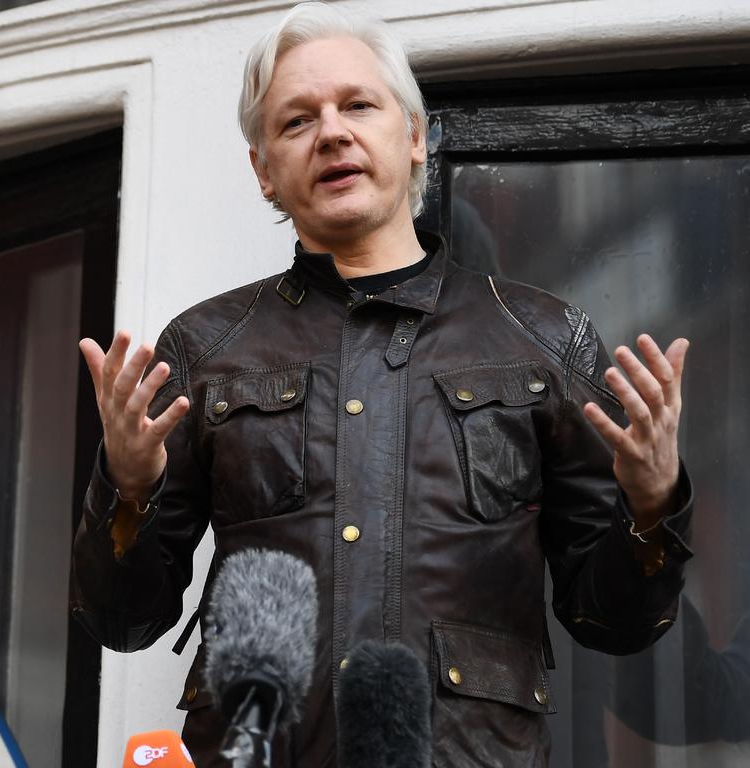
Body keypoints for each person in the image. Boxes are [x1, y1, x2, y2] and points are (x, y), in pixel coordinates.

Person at [70, 3, 694, 766]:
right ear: (264, 171)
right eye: (297, 121)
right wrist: (127, 490)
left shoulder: (542, 338)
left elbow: (615, 624)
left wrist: (653, 506)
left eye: (358, 105)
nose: (332, 132)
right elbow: (121, 621)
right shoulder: (204, 350)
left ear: (414, 135)